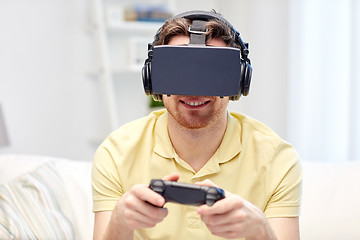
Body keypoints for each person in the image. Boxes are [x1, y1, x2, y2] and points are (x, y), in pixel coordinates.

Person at [92, 10, 302, 240]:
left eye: (210, 71)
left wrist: (260, 229)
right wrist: (120, 221)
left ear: (238, 80)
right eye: (179, 70)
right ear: (154, 79)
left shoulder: (277, 159)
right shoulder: (116, 152)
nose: (193, 90)